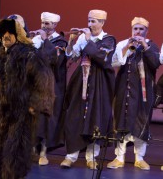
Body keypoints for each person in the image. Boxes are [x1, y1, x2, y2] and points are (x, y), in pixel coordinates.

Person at [0, 18, 55, 179]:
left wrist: (35, 104)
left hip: (20, 111)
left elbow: (44, 80)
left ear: (18, 35)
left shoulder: (29, 54)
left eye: (10, 33)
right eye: (3, 34)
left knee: (15, 153)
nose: (6, 37)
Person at [58, 9, 116, 169]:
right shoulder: (83, 37)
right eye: (89, 21)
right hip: (80, 80)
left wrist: (89, 39)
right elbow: (73, 56)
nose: (90, 24)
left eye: (94, 21)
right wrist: (71, 42)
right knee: (74, 116)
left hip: (99, 81)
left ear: (102, 23)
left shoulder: (109, 39)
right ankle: (71, 156)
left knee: (96, 117)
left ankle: (92, 157)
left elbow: (102, 58)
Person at [107, 17, 160, 170]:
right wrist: (127, 48)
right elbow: (114, 62)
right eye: (135, 29)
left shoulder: (151, 45)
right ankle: (119, 157)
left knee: (140, 123)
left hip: (144, 93)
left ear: (146, 31)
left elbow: (155, 63)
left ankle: (139, 158)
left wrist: (144, 46)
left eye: (141, 29)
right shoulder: (123, 44)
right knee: (122, 122)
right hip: (124, 89)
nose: (138, 32)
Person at [29, 12, 68, 166]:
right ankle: (32, 150)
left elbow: (53, 59)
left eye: (47, 24)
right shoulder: (35, 40)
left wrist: (45, 40)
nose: (44, 26)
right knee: (32, 117)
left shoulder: (61, 42)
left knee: (46, 119)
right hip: (35, 85)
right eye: (43, 23)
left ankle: (44, 152)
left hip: (52, 86)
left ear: (55, 25)